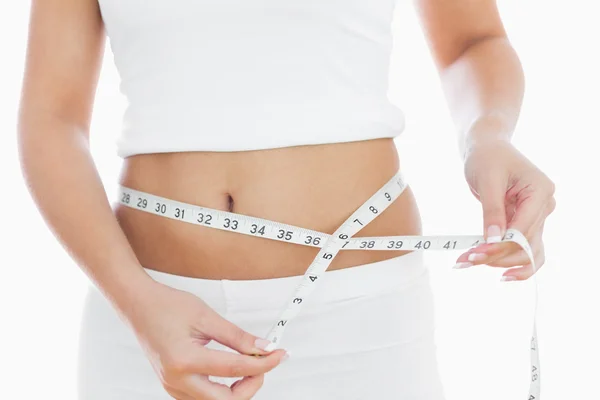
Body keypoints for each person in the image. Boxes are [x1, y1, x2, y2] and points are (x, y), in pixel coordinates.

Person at [17, 0, 555, 399]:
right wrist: (136, 302)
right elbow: (51, 116)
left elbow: (473, 40)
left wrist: (488, 135)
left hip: (361, 315)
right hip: (143, 320)